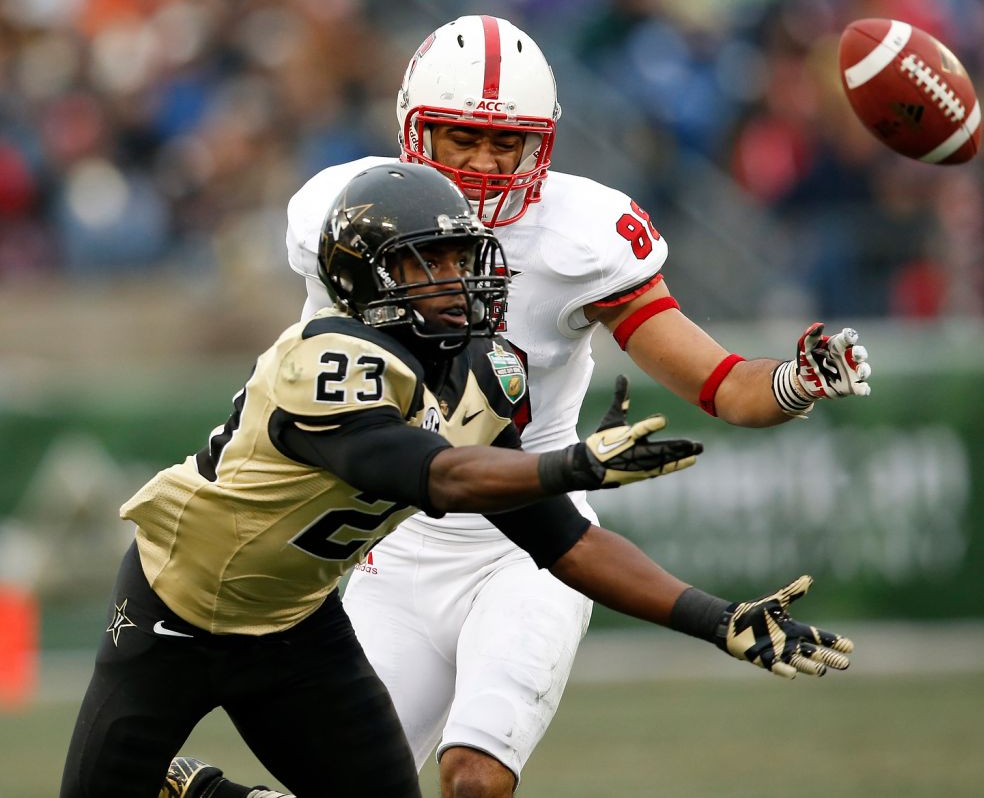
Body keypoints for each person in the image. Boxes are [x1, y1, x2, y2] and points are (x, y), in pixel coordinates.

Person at [61, 164, 851, 798]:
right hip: (174, 609)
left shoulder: (477, 374)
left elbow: (561, 540)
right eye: (421, 261)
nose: (450, 278)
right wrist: (571, 463)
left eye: (455, 257)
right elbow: (428, 473)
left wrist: (717, 619)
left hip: (294, 627)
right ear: (361, 279)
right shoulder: (321, 359)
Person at [273, 16, 875, 798]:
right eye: (462, 137)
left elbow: (720, 381)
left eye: (507, 142)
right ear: (414, 131)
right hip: (395, 547)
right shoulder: (350, 212)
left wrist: (795, 381)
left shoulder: (579, 235)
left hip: (530, 543)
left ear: (542, 144)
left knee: (475, 778)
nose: (487, 164)